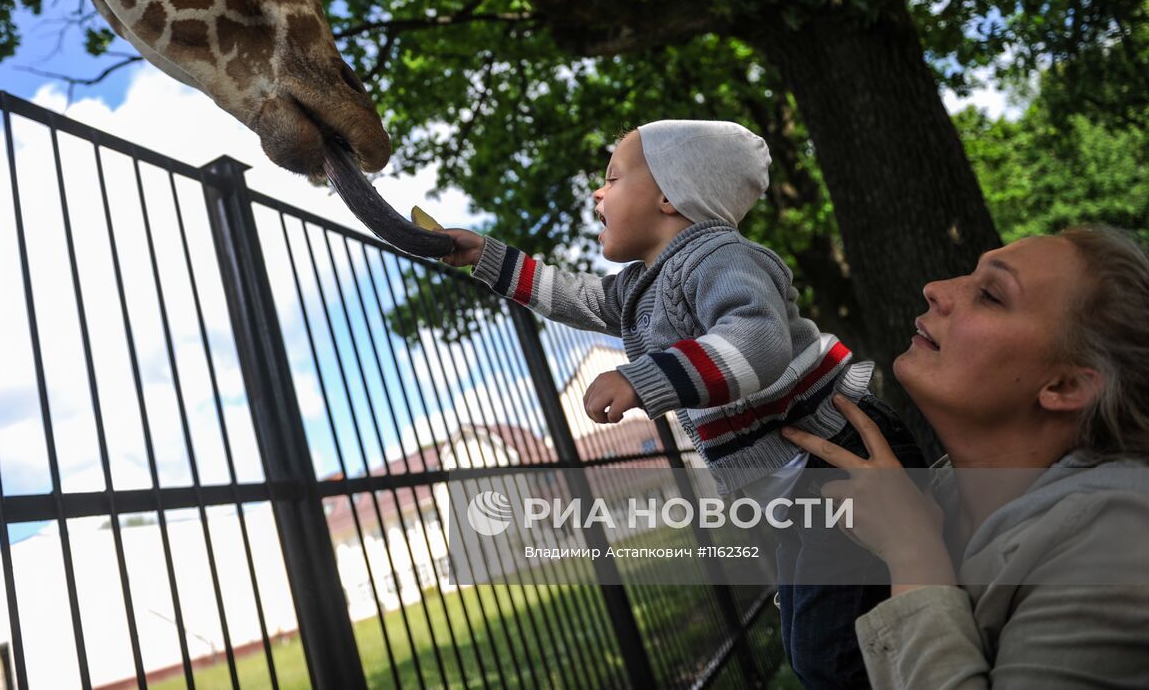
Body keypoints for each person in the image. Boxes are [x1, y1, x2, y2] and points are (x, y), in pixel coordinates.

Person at [437, 119, 923, 687]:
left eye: (612, 178)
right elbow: (581, 295)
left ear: (670, 196)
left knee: (828, 651)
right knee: (815, 639)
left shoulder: (717, 256)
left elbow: (757, 339)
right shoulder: (647, 283)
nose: (597, 192)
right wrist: (489, 258)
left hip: (843, 460)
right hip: (806, 488)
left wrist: (646, 378)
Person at [784, 225, 1149, 688]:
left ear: (1066, 386)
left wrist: (913, 552)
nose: (935, 289)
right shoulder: (932, 492)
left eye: (992, 295)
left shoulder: (1121, 540)